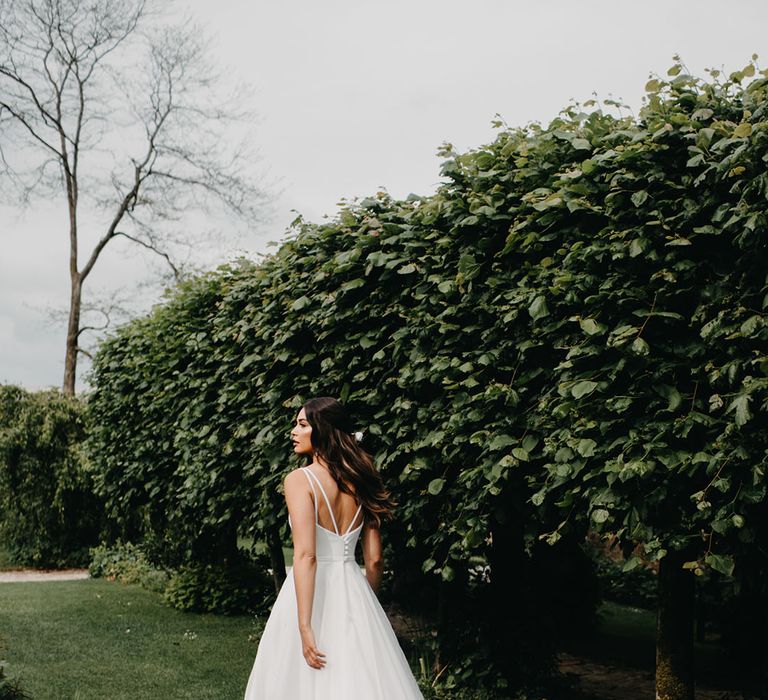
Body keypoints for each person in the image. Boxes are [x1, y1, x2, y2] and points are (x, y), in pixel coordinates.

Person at [244, 396, 425, 699]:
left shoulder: (299, 480)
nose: (294, 431)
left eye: (302, 425)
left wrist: (304, 626)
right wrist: (364, 602)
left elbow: (306, 555)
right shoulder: (363, 479)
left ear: (323, 430)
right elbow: (376, 560)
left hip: (307, 592)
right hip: (355, 588)